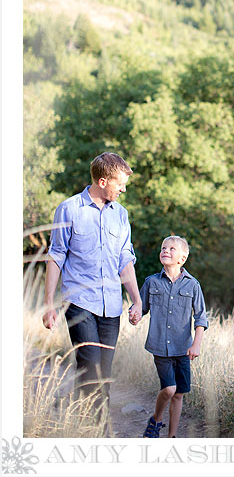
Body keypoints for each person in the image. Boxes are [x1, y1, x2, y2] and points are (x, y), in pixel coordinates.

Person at [44, 152, 142, 421]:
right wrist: (49, 304)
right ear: (102, 181)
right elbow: (56, 255)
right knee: (90, 365)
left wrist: (136, 299)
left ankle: (86, 421)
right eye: (119, 184)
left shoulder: (121, 215)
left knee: (104, 374)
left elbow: (125, 259)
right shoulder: (69, 209)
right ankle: (92, 428)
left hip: (111, 306)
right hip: (79, 302)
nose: (123, 189)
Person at [139, 235, 208, 438]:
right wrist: (134, 315)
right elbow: (140, 308)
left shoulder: (193, 285)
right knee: (169, 389)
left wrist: (196, 345)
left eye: (171, 249)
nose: (165, 251)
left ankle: (171, 437)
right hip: (160, 346)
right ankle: (156, 419)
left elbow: (201, 318)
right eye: (163, 248)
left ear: (182, 258)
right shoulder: (151, 282)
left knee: (178, 394)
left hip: (183, 348)